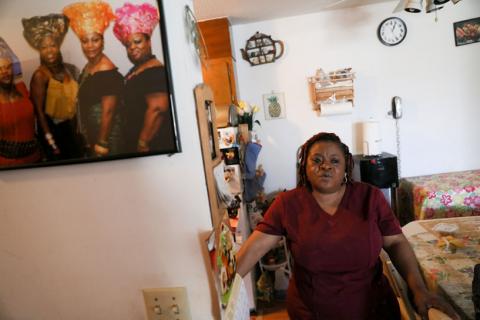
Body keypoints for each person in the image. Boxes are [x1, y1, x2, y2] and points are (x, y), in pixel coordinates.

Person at [236, 132, 460, 320]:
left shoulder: (369, 197)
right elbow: (255, 247)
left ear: (346, 168)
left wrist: (419, 289)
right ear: (304, 165)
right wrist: (225, 295)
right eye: (317, 160)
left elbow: (396, 241)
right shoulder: (287, 204)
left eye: (335, 161)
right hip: (312, 313)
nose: (326, 166)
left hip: (374, 312)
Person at [63, 1, 124, 157]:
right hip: (92, 135)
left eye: (95, 40)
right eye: (85, 41)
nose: (90, 46)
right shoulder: (90, 66)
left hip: (106, 140)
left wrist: (102, 144)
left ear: (103, 42)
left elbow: (108, 111)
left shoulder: (107, 72)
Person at [113, 2, 175, 153]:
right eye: (128, 45)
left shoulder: (155, 71)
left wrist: (142, 143)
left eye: (137, 41)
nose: (132, 47)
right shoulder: (137, 69)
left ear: (148, 41)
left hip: (151, 147)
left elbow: (158, 108)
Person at [22, 14, 82, 160]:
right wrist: (51, 141)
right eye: (44, 47)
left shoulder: (69, 69)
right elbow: (40, 113)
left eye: (52, 45)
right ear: (39, 50)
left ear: (58, 46)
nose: (49, 51)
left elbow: (77, 104)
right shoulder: (40, 76)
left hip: (72, 133)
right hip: (54, 136)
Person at [0, 41, 41, 166]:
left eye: (7, 67)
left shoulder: (22, 88)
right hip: (8, 167)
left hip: (35, 158)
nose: (5, 72)